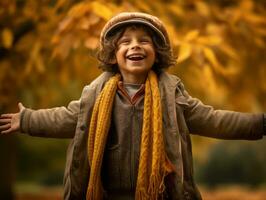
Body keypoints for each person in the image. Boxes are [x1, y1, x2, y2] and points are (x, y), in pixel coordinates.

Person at [0, 12, 265, 200]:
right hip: (106, 194)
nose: (134, 46)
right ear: (113, 56)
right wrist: (27, 120)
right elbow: (65, 118)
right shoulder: (95, 96)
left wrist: (260, 123)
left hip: (159, 194)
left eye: (143, 41)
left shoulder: (173, 96)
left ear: (156, 53)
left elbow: (214, 119)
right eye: (125, 42)